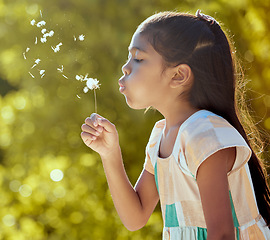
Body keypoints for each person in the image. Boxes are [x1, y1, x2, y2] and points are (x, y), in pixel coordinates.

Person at [81, 10, 270, 240]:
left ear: (178, 75)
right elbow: (135, 217)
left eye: (138, 58)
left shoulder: (204, 134)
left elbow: (221, 235)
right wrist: (110, 153)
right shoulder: (161, 136)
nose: (125, 68)